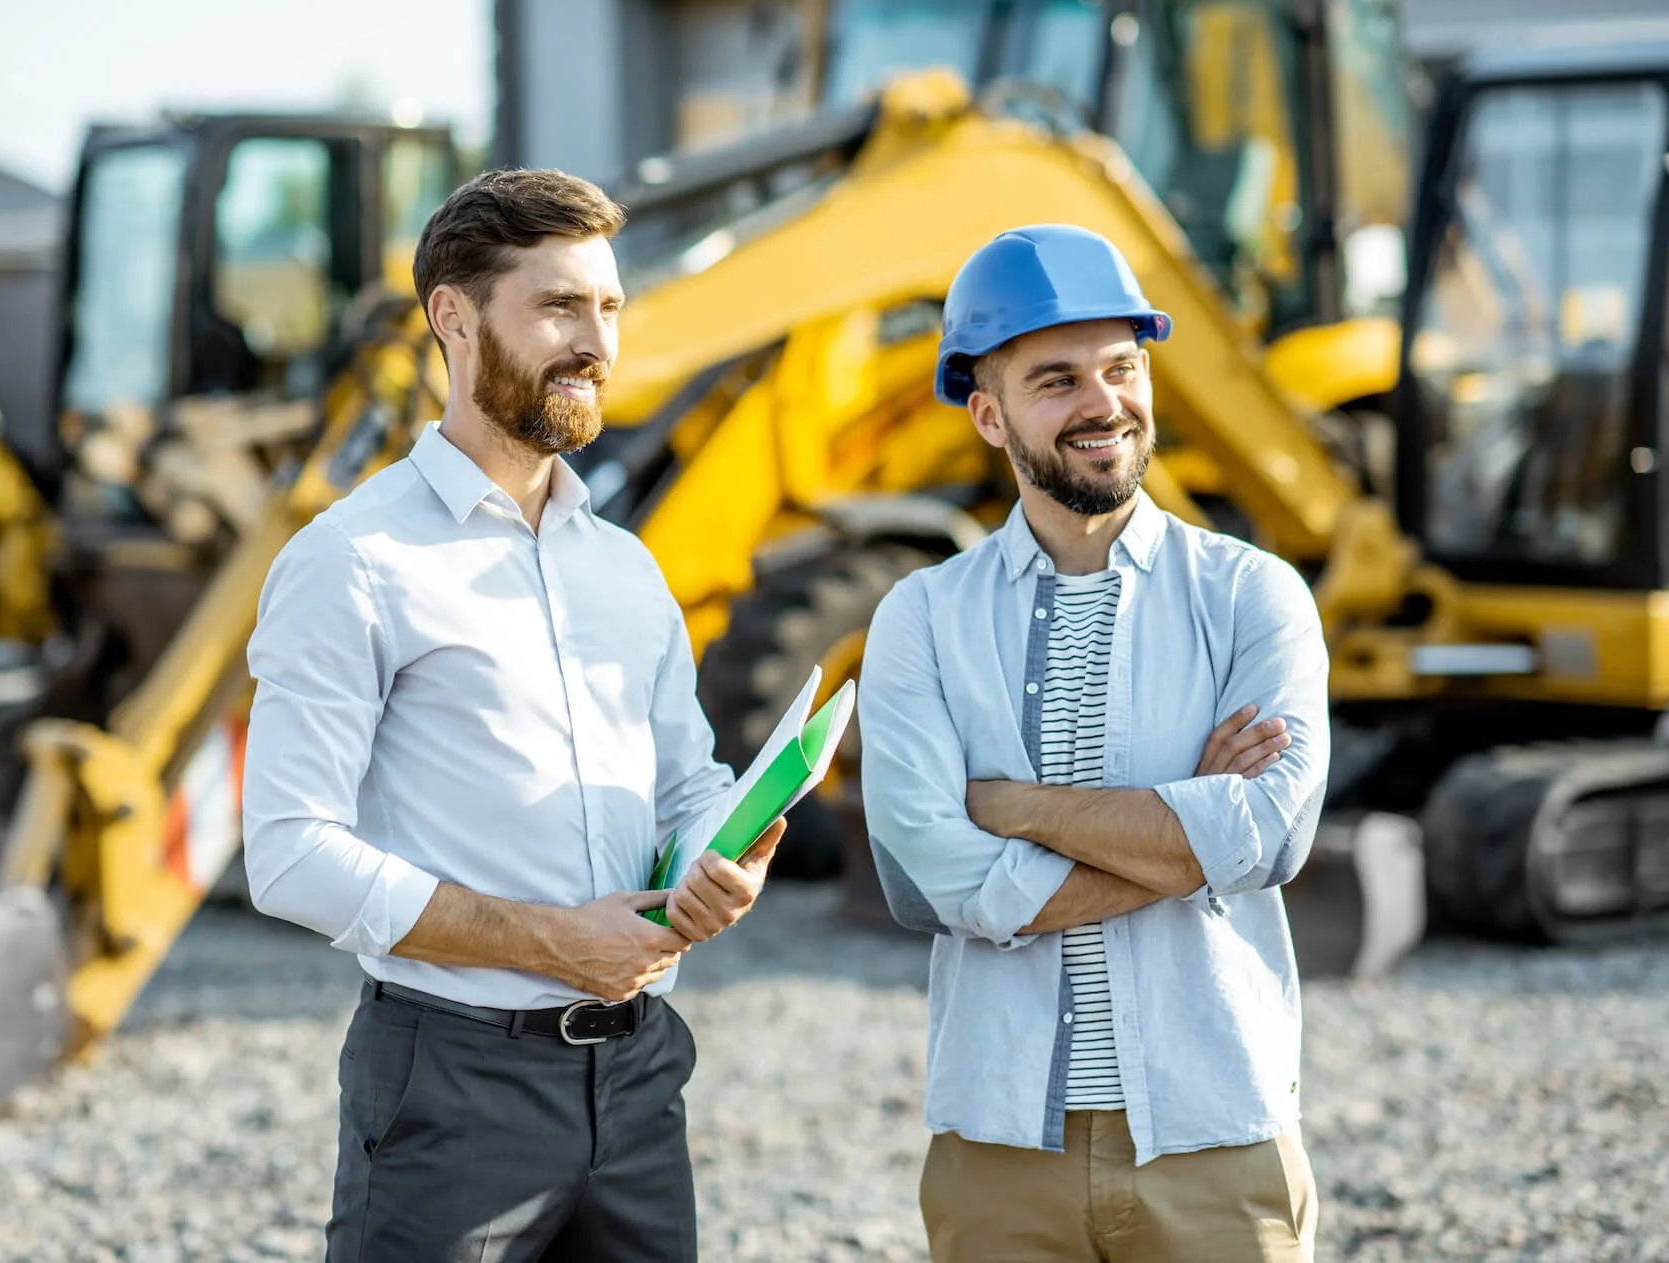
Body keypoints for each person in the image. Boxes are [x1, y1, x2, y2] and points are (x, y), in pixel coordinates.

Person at [240, 168, 784, 1262]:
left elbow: (686, 781)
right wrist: (551, 942)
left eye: (610, 308)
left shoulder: (628, 570)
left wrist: (723, 860)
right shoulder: (353, 561)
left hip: (637, 1079)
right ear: (454, 318)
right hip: (451, 1086)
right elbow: (290, 856)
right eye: (557, 306)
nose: (596, 342)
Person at [859, 224, 1330, 1262]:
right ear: (986, 413)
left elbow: (1266, 838)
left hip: (1216, 1139)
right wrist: (1182, 830)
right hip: (996, 1153)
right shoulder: (920, 616)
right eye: (1056, 379)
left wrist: (1012, 808)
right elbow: (923, 878)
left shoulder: (1253, 596)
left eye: (1122, 367)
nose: (1101, 403)